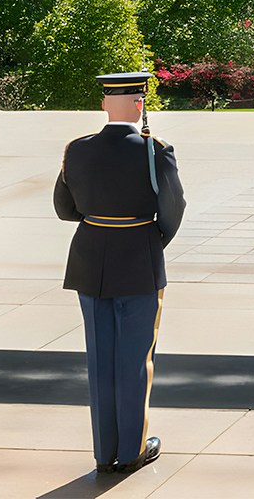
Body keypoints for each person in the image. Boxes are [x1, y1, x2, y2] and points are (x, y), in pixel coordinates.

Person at [54, 71, 187, 476]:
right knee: (134, 359)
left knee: (100, 359)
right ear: (140, 104)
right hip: (138, 259)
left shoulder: (77, 149)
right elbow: (173, 209)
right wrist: (150, 241)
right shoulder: (155, 150)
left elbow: (64, 209)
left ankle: (103, 451)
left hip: (90, 257)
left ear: (104, 105)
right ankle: (130, 450)